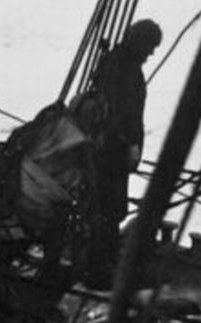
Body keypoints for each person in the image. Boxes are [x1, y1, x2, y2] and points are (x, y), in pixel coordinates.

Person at [80, 19, 162, 285]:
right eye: (150, 47)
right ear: (139, 42)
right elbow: (118, 112)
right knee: (107, 209)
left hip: (111, 151)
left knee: (110, 210)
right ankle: (98, 270)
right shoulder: (121, 67)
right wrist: (130, 144)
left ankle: (105, 263)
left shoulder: (119, 63)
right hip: (110, 152)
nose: (151, 54)